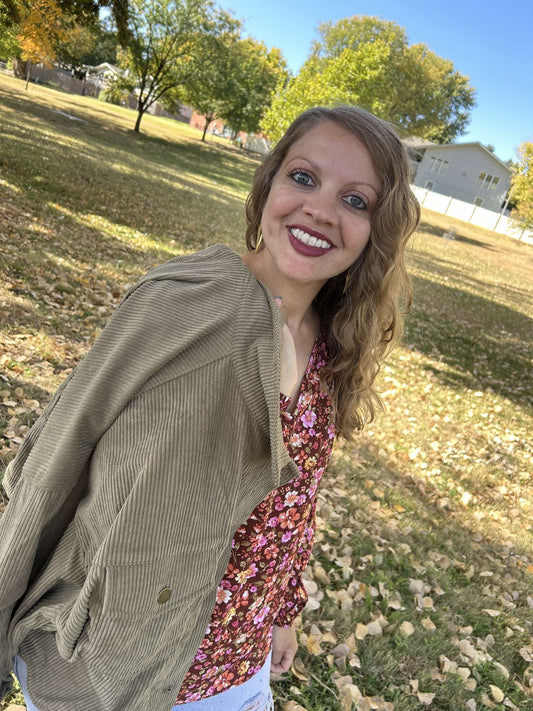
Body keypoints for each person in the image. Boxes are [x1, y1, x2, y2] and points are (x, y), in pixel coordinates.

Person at [0, 105, 420, 711]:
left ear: (376, 232)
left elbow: (294, 507)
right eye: (303, 178)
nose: (322, 210)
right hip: (117, 666)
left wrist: (281, 612)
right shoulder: (182, 304)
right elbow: (55, 458)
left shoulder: (334, 346)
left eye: (356, 201)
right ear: (269, 182)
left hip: (239, 667)